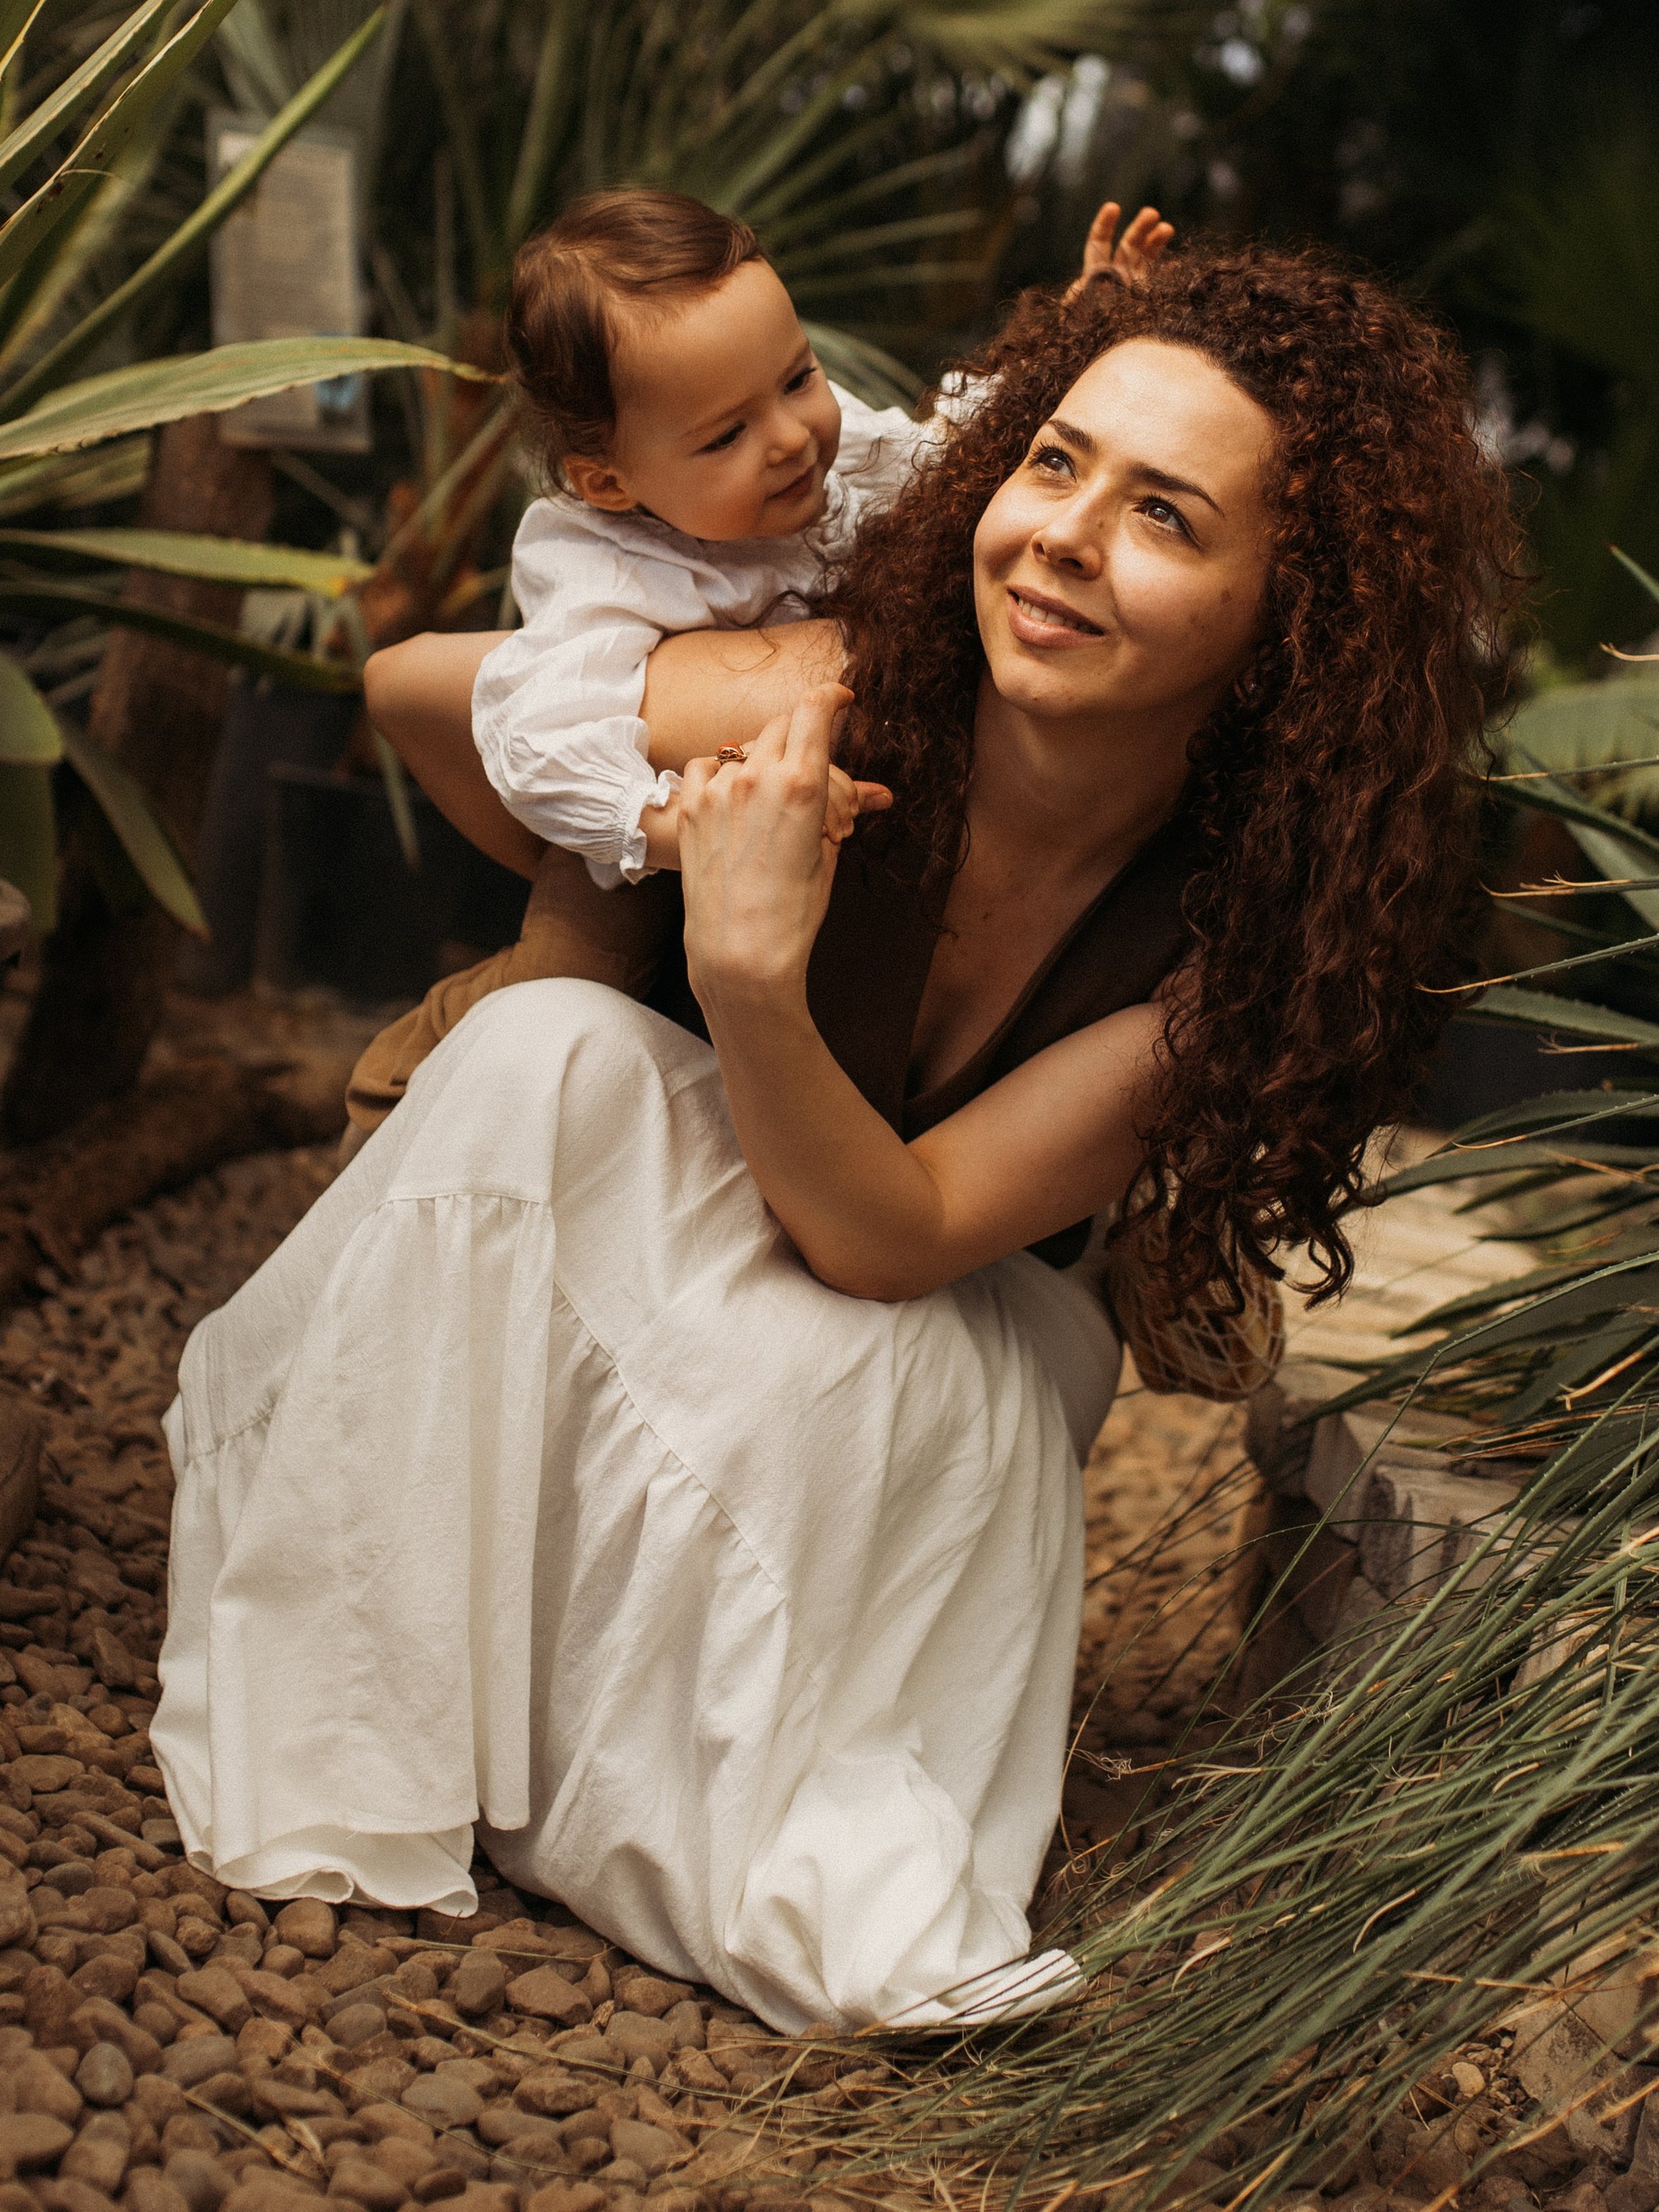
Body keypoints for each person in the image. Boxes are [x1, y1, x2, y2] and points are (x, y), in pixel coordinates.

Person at [153, 246, 1517, 2033]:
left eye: (1162, 516)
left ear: (1293, 612)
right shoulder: (838, 678)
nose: (1061, 538)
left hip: (949, 1328)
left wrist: (747, 976)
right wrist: (617, 815)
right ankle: (401, 1700)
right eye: (1052, 463)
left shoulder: (1230, 949)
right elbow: (416, 685)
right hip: (715, 1197)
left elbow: (892, 1239)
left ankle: (665, 1784)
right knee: (544, 1051)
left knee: (845, 1371)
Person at [341, 191, 1174, 1135]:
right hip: (650, 826)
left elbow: (948, 450)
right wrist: (687, 829)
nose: (789, 438)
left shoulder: (830, 457)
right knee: (558, 1009)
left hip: (781, 792)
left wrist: (1074, 332)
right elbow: (540, 737)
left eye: (797, 378)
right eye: (724, 436)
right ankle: (406, 1099)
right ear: (609, 481)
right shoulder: (600, 563)